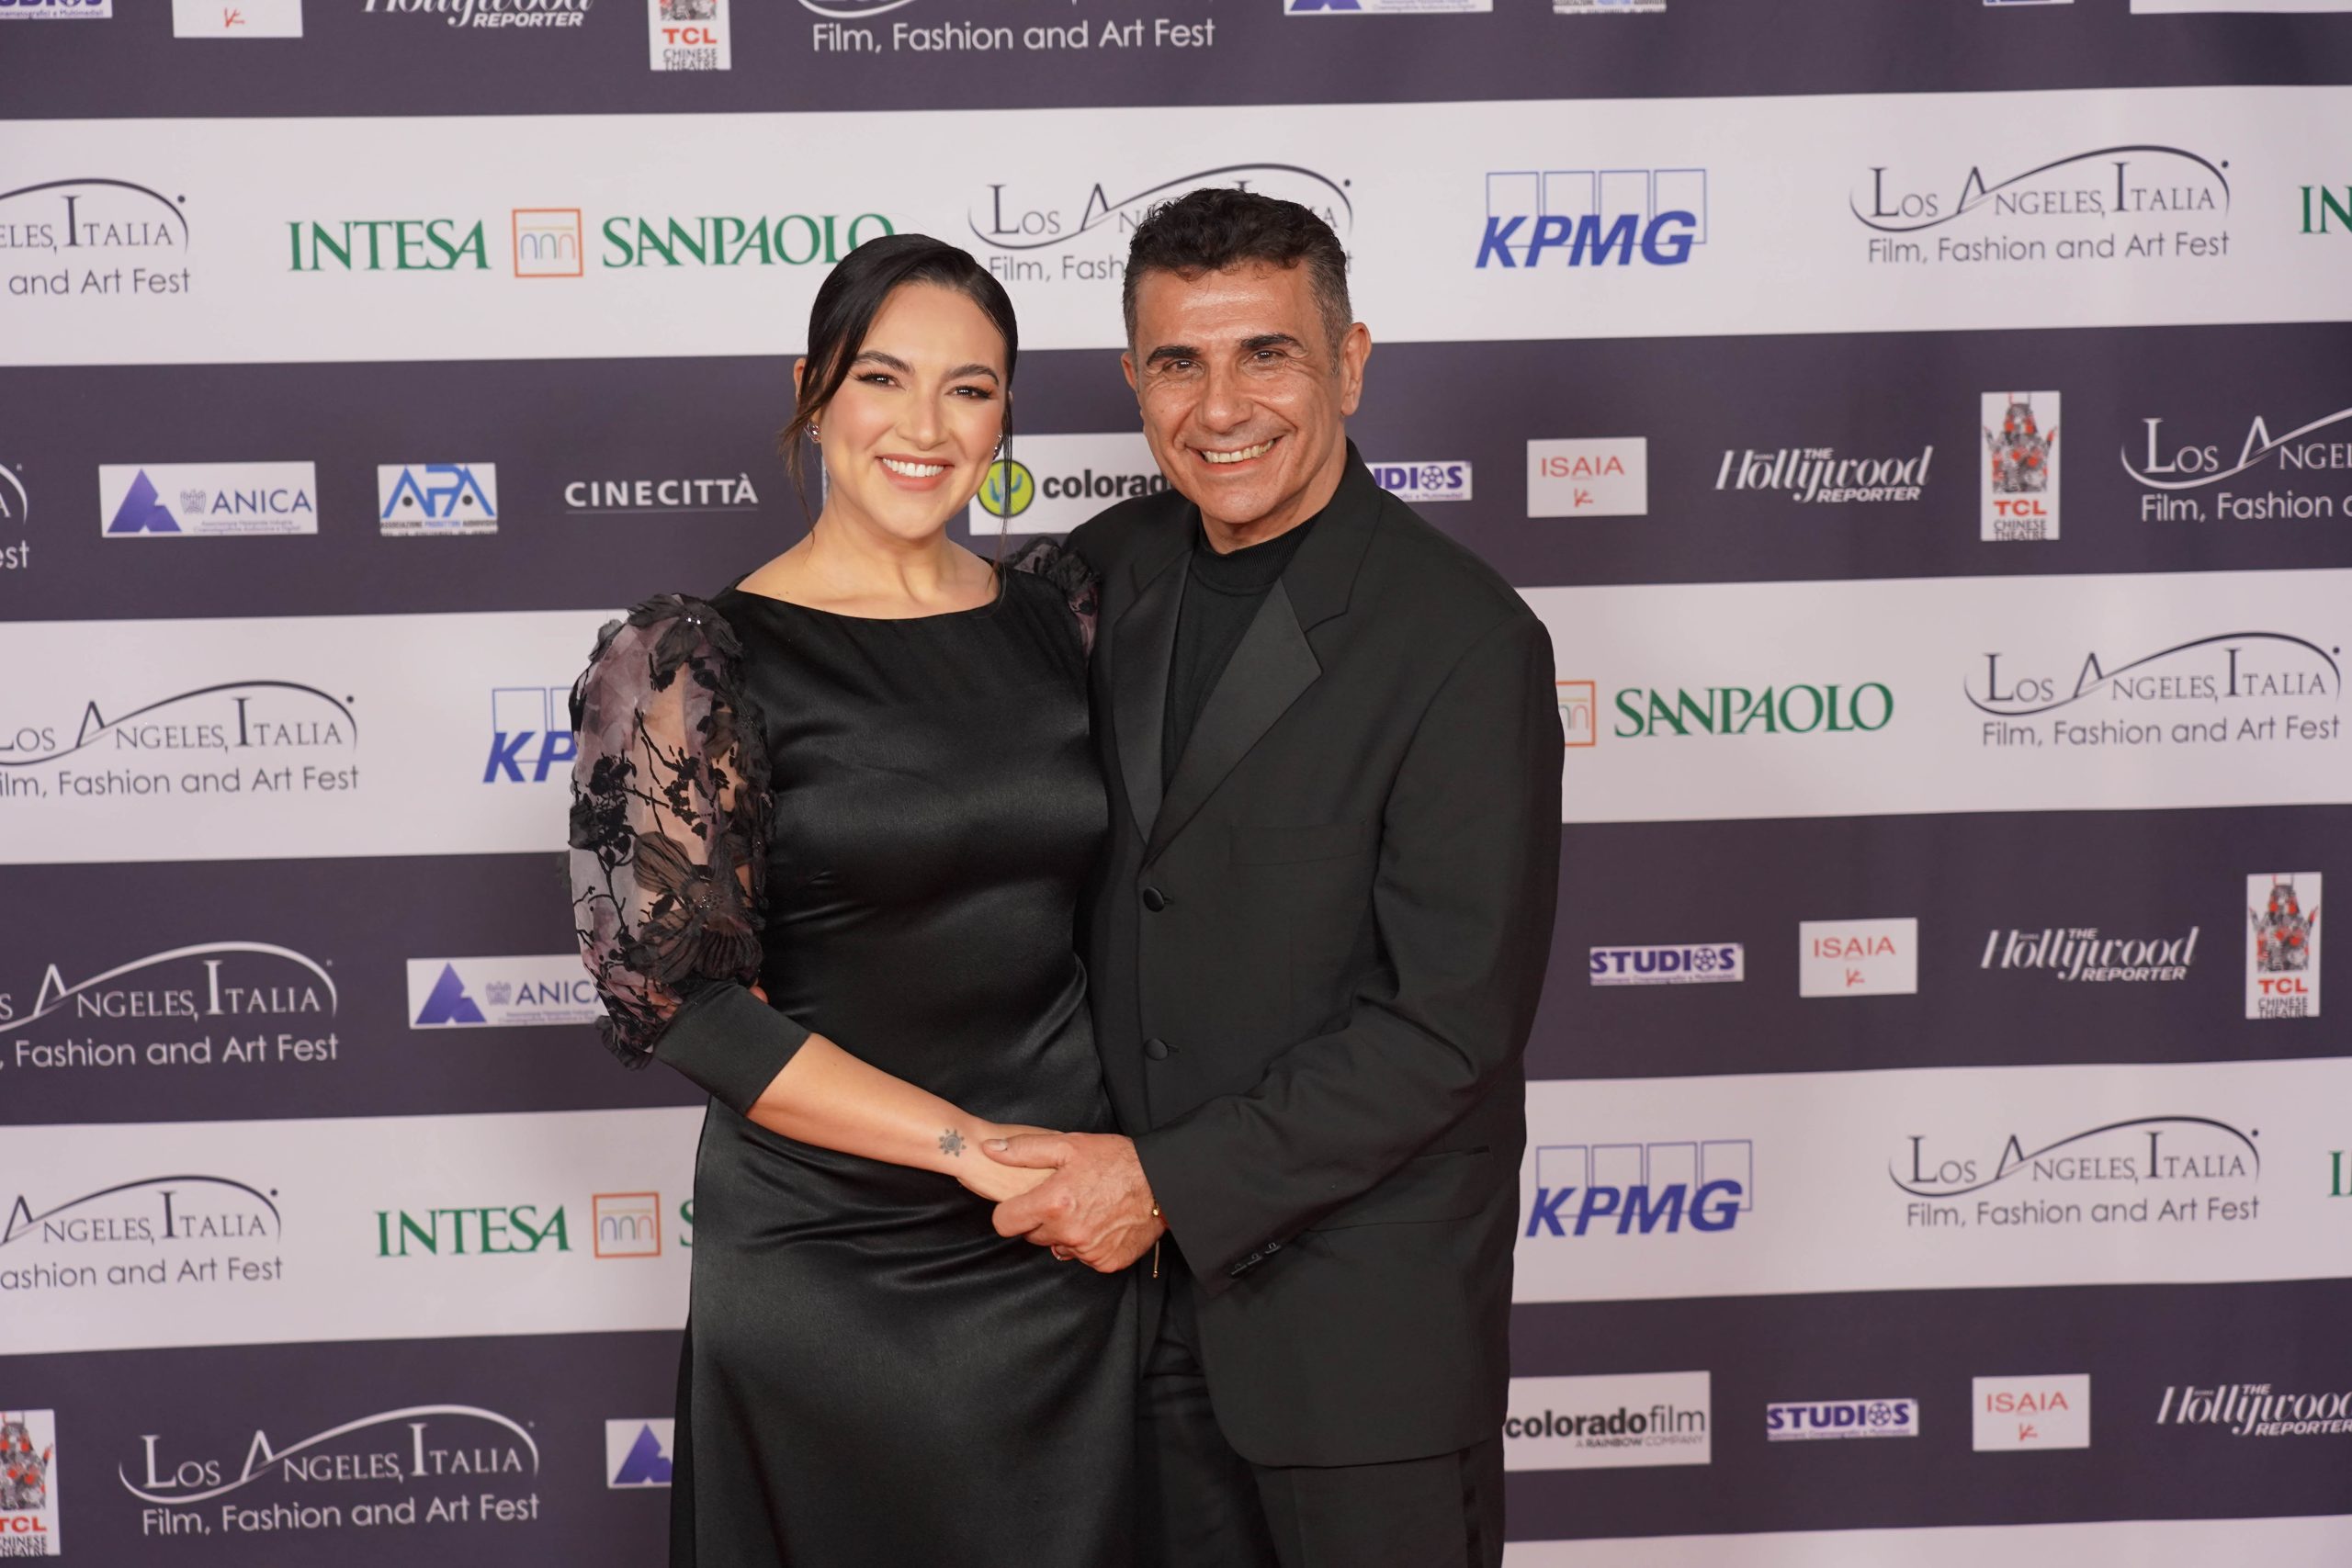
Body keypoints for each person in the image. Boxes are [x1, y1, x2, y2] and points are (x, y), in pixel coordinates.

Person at [983, 189, 1562, 1568]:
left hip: (1358, 1338)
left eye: (1268, 354)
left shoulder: (1464, 639)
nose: (1221, 407)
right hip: (1110, 1331)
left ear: (1349, 363)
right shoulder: (1100, 574)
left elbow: (1448, 1025)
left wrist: (1166, 1185)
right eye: (1178, 362)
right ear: (1134, 380)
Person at [566, 232, 1131, 1568]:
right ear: (812, 390)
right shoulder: (688, 660)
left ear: (1006, 412)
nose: (925, 427)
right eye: (883, 378)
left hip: (1064, 1247)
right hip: (830, 1270)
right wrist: (964, 1146)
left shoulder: (1065, 616)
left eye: (969, 389)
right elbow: (684, 1005)